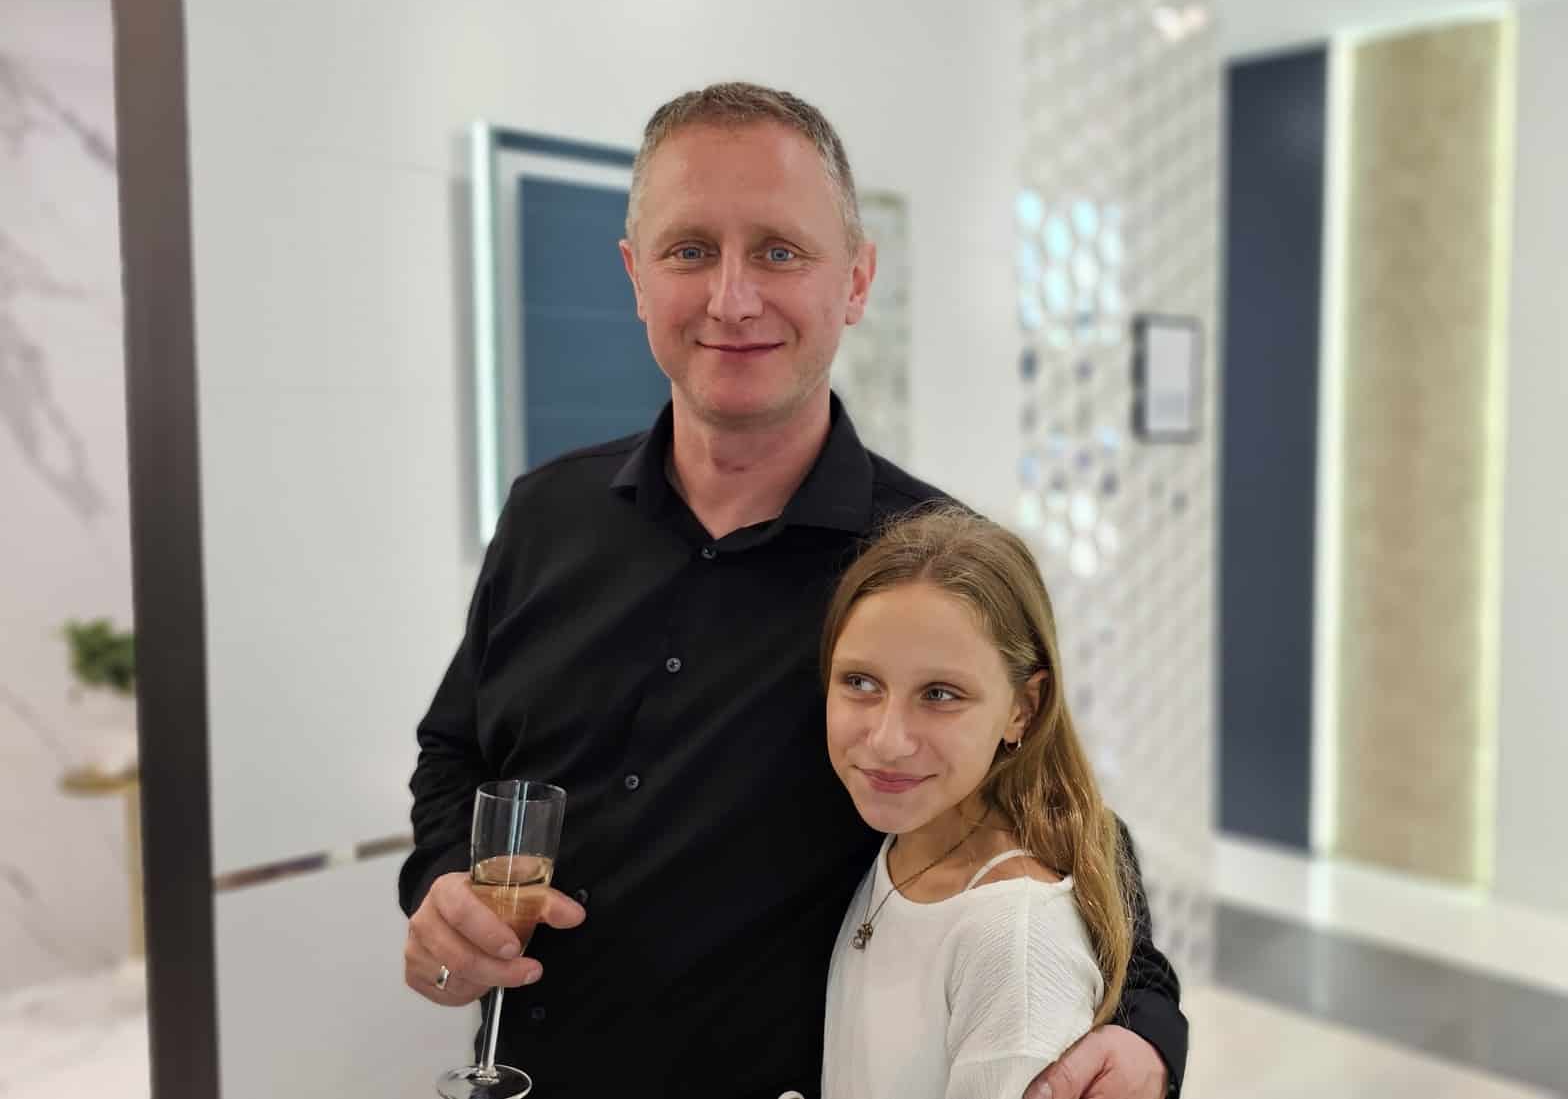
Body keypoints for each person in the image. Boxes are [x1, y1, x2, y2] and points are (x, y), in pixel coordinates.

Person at [399, 82, 1186, 1099]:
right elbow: (454, 752)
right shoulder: (545, 510)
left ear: (854, 281)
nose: (731, 298)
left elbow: (1064, 820)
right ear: (636, 277)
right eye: (690, 250)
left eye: (778, 251)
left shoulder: (924, 565)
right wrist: (441, 883)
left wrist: (1145, 1024)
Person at [819, 506, 1129, 1098]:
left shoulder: (1015, 940)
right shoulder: (906, 848)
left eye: (940, 694)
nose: (886, 740)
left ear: (1023, 710)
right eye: (860, 683)